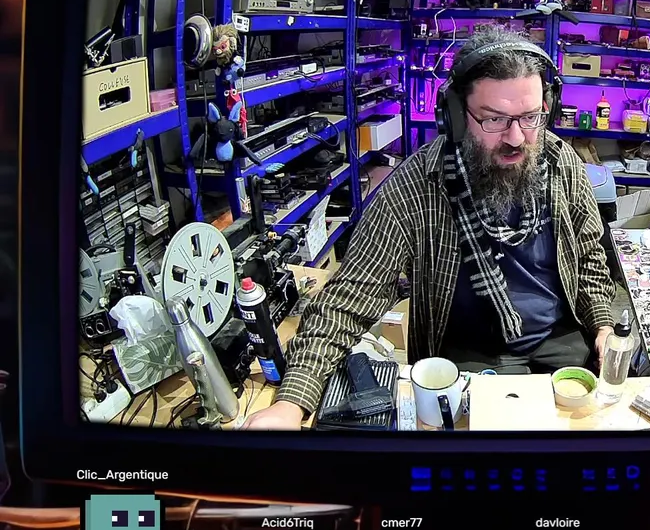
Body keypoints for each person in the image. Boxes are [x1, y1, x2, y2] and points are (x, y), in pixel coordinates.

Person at [243, 25, 616, 430]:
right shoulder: (415, 187)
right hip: (470, 356)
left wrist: (602, 325)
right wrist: (291, 403)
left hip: (560, 341)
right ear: (455, 116)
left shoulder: (563, 166)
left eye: (530, 117)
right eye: (494, 119)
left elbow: (589, 258)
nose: (516, 138)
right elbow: (347, 300)